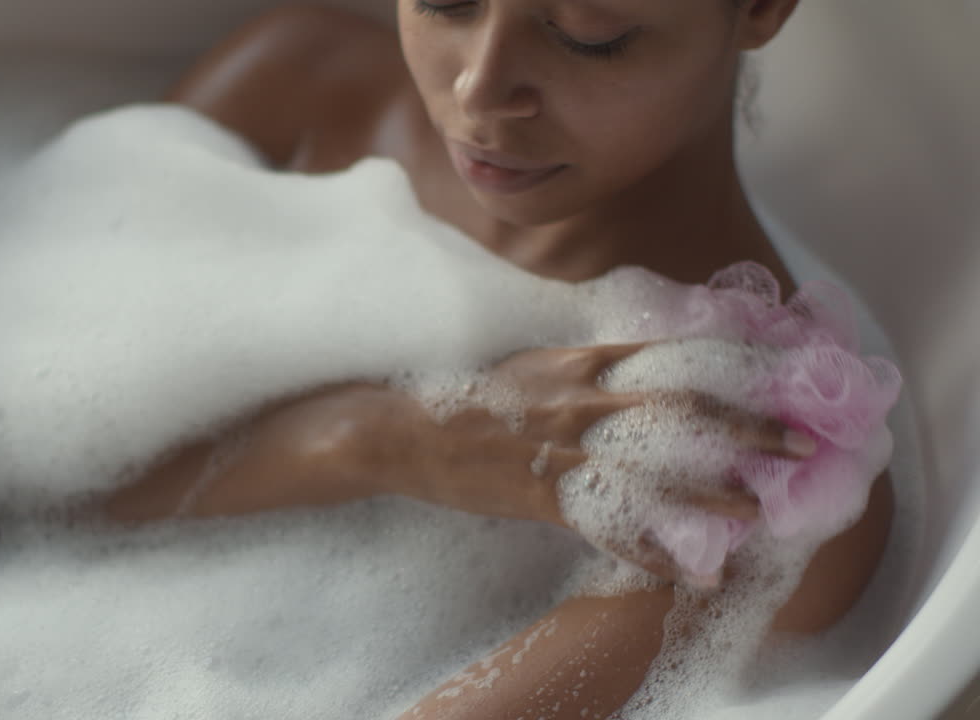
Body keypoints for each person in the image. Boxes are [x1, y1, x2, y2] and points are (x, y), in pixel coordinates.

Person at [104, 1, 894, 717]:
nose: (479, 92)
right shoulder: (293, 87)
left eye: (592, 35)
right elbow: (16, 470)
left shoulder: (752, 455)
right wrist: (396, 438)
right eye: (446, 2)